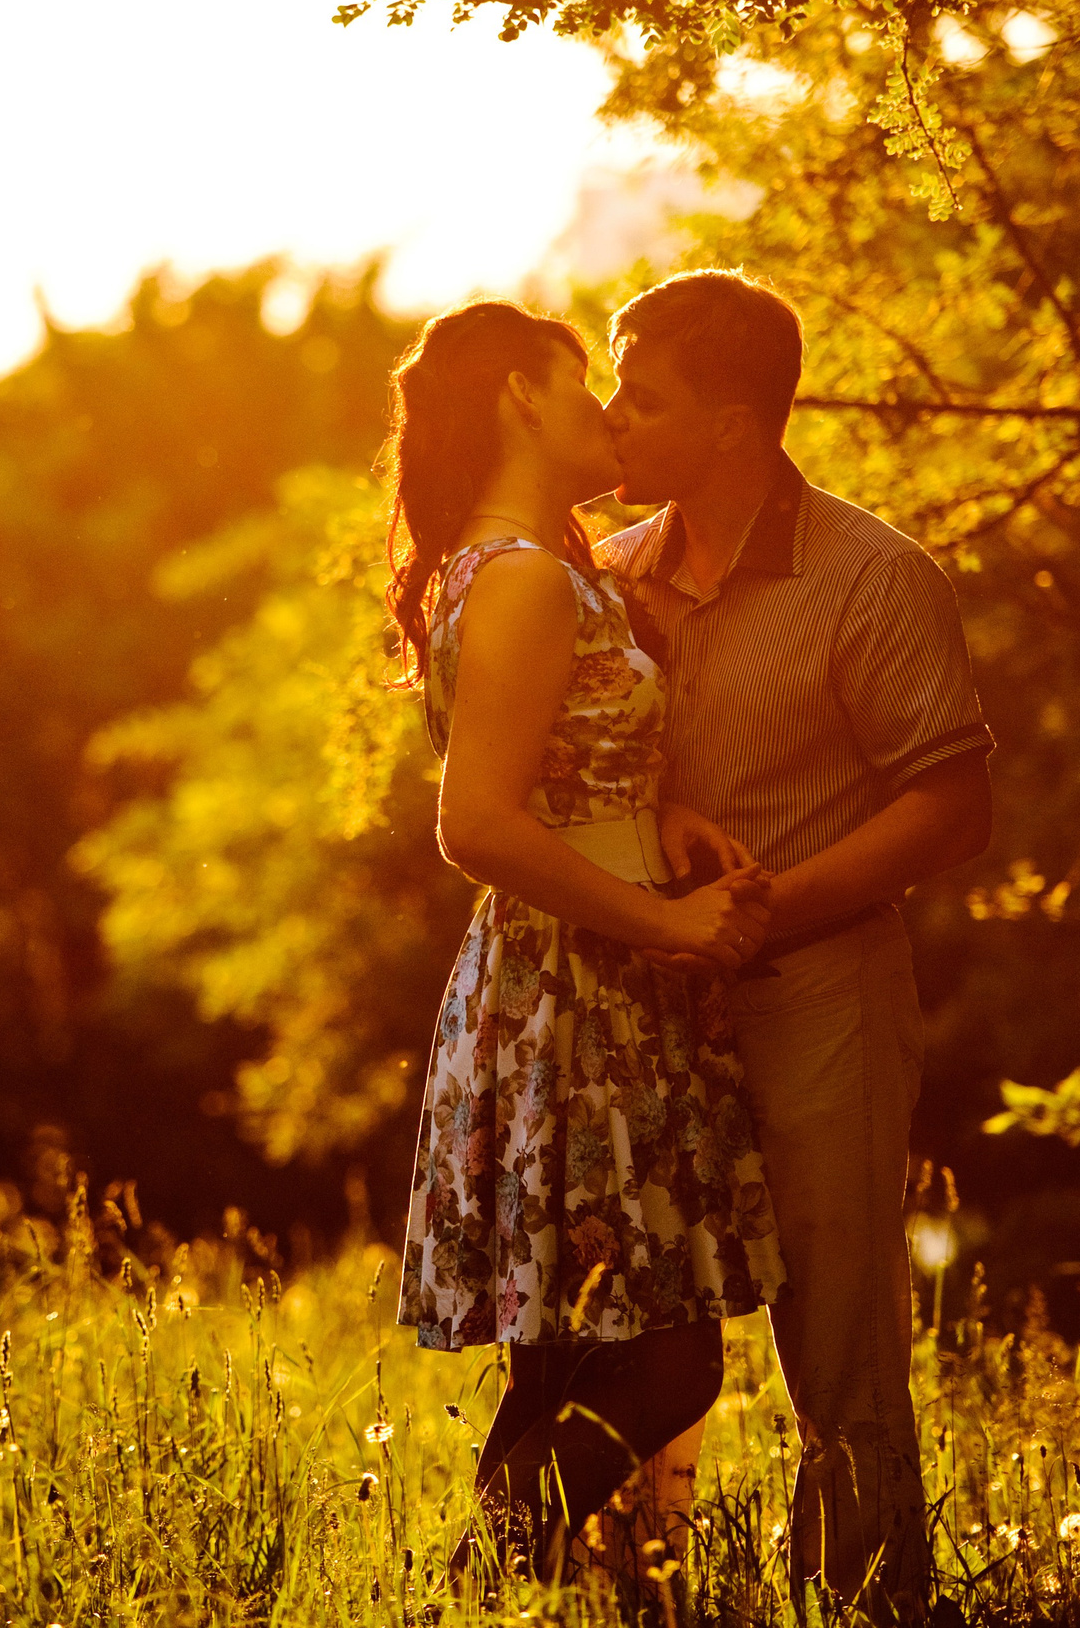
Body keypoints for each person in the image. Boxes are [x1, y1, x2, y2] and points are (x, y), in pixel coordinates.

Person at [593, 270, 995, 1620]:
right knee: (638, 1317)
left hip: (823, 992)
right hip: (639, 1005)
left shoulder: (874, 578)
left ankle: (866, 1602)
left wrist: (771, 912)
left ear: (732, 419)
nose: (610, 418)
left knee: (835, 1327)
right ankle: (638, 1592)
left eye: (639, 396)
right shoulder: (602, 580)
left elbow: (952, 804)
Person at [383, 299, 790, 1590]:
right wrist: (665, 921)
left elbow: (555, 772)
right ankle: (469, 1589)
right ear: (517, 396)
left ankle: (491, 1601)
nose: (605, 414)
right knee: (671, 1358)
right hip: (572, 990)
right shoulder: (514, 579)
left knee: (566, 1357)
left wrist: (650, 807)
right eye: (579, 385)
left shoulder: (535, 568)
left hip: (584, 982)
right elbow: (479, 826)